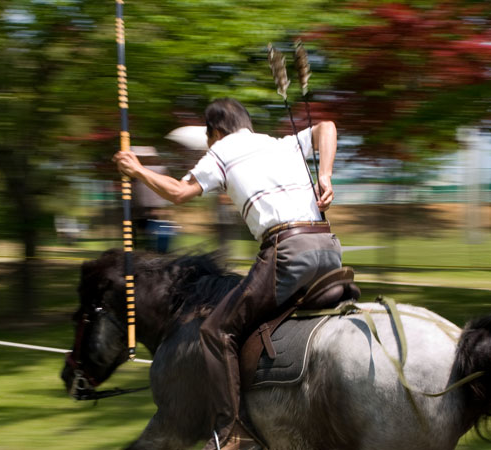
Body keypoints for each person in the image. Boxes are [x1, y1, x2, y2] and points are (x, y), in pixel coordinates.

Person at [113, 98, 341, 450]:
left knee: (216, 331)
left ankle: (232, 431)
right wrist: (324, 175)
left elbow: (177, 192)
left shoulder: (221, 152)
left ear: (215, 132)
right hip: (330, 251)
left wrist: (137, 169)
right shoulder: (280, 143)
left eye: (208, 138)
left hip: (288, 256)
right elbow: (327, 127)